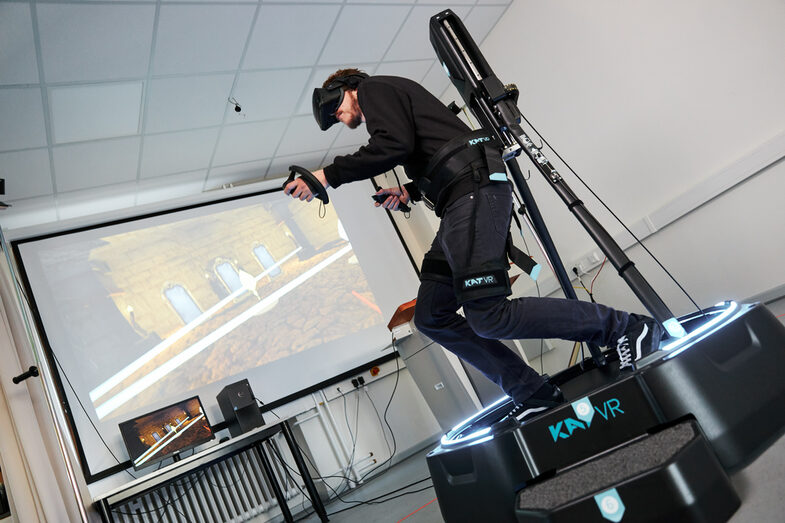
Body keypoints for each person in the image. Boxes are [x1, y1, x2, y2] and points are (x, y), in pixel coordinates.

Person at [284, 69, 662, 423]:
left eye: (337, 108)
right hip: (459, 202)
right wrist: (409, 191)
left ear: (346, 88)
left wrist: (326, 177)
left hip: (475, 194)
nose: (340, 117)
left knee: (488, 315)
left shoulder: (373, 88)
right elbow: (432, 149)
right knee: (432, 315)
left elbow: (394, 145)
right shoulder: (396, 101)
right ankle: (531, 392)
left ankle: (627, 329)